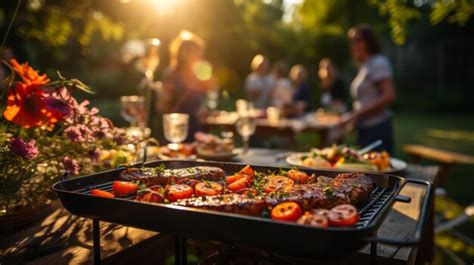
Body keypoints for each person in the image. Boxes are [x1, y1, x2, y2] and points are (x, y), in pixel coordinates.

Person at [342, 24, 396, 154]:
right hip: (365, 129)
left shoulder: (378, 62)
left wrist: (357, 114)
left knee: (377, 172)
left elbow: (389, 95)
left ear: (369, 41)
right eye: (352, 41)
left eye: (358, 40)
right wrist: (355, 119)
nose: (354, 44)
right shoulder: (365, 65)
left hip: (377, 129)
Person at [156, 30, 213, 142]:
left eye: (199, 51)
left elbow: (202, 103)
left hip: (196, 131)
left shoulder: (199, 75)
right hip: (176, 132)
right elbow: (161, 107)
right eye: (195, 51)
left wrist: (205, 111)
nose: (199, 54)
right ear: (183, 53)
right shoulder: (172, 75)